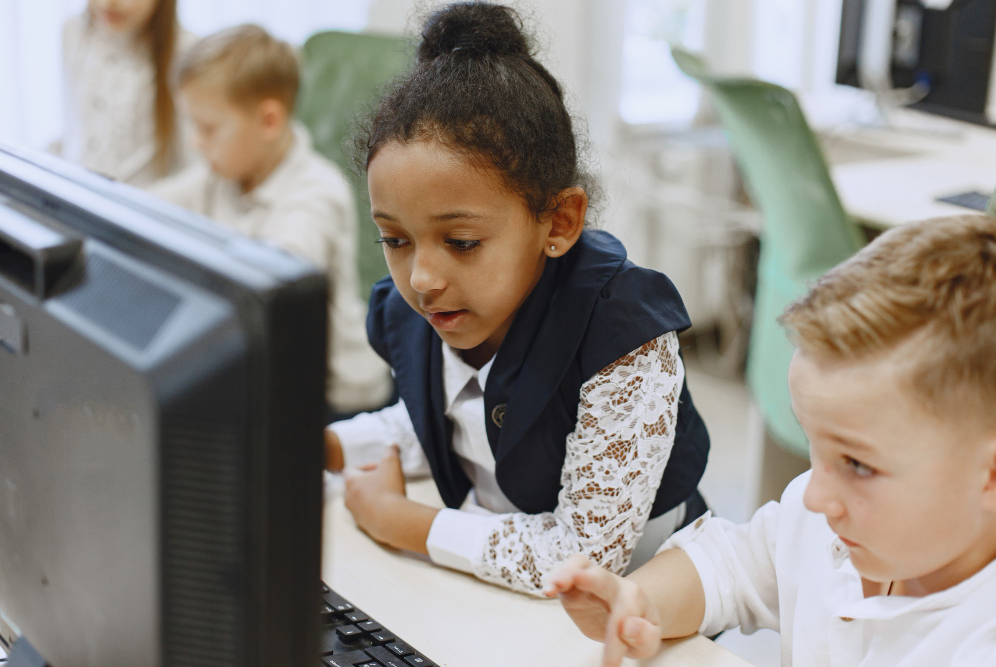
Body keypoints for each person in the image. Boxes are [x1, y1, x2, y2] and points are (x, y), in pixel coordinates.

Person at [323, 1, 711, 596]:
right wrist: (327, 445)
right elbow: (446, 420)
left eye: (461, 241)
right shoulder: (427, 307)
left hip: (638, 611)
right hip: (498, 592)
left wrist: (406, 523)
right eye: (395, 239)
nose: (422, 276)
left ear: (558, 222)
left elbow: (582, 558)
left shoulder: (624, 335)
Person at [545, 213, 996, 666]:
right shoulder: (826, 521)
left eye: (858, 465)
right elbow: (731, 565)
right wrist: (641, 603)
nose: (816, 495)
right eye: (813, 448)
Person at [151, 24, 392, 415]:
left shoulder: (317, 192)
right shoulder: (220, 175)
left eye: (208, 128)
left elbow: (273, 286)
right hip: (269, 373)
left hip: (339, 396)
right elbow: (146, 209)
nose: (196, 141)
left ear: (268, 121)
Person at [55, 0, 195, 187]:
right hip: (77, 197)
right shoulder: (73, 31)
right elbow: (74, 129)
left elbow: (194, 165)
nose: (108, 3)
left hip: (144, 206)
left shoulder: (186, 51)